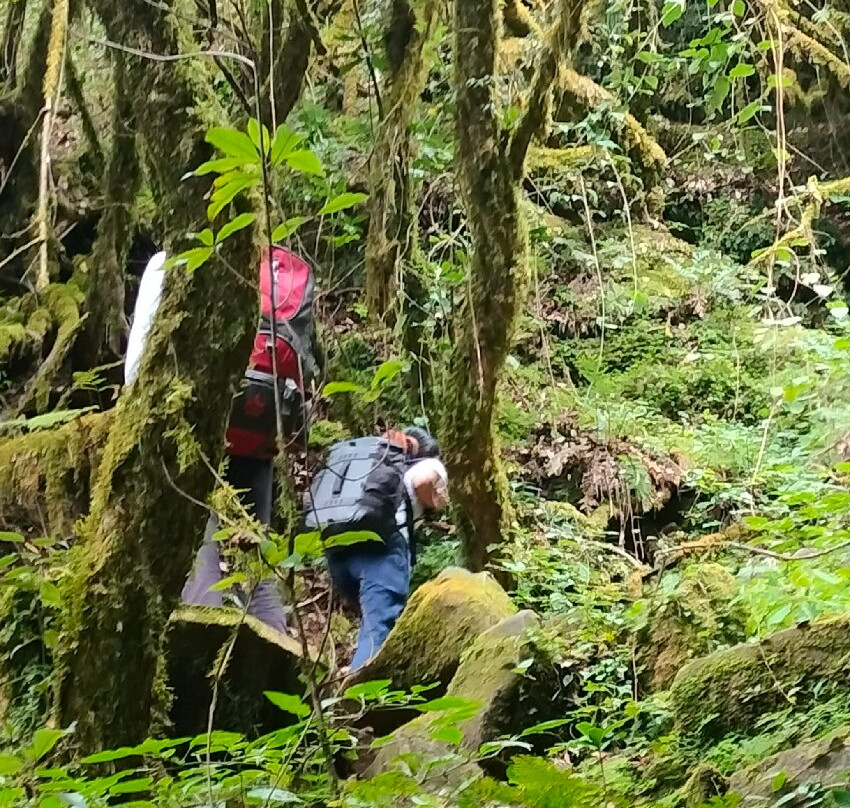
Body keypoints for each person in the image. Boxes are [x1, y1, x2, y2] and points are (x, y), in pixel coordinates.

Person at [124, 246, 320, 634]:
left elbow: (141, 347)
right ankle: (277, 661)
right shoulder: (260, 260)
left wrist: (135, 409)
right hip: (259, 420)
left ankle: (205, 660)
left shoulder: (170, 259)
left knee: (201, 546)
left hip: (194, 422)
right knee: (257, 559)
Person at [303, 427, 449, 670]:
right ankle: (357, 699)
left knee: (370, 624)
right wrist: (438, 501)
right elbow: (424, 480)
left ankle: (347, 684)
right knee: (378, 628)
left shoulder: (368, 462)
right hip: (381, 550)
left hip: (339, 548)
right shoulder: (428, 463)